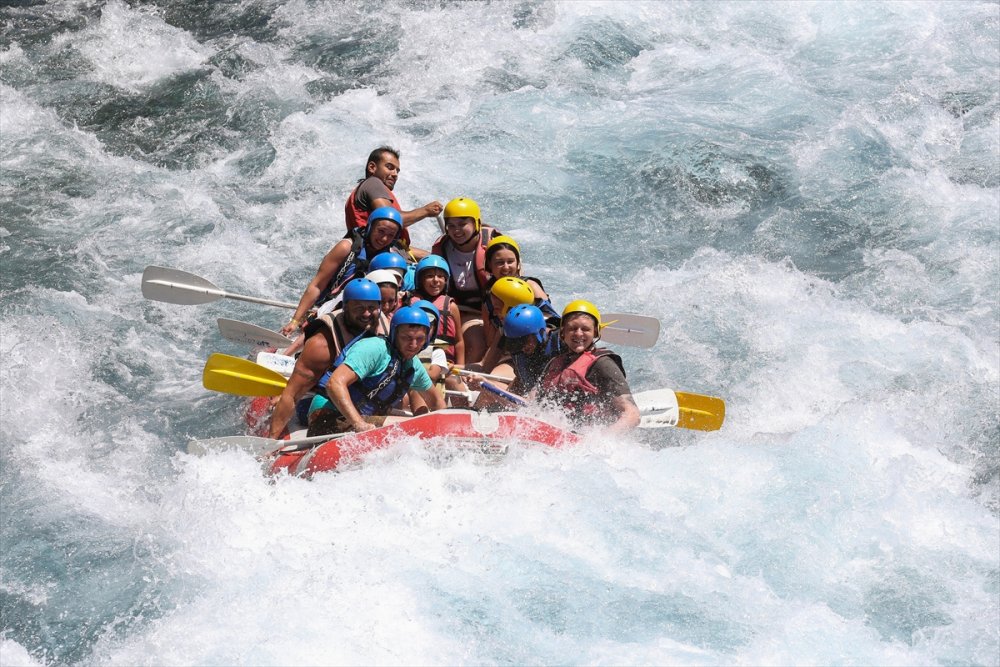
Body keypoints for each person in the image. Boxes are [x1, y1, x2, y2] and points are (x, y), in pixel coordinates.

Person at [268, 278, 388, 437]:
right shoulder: (322, 345)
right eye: (359, 308)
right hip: (319, 402)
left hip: (362, 397)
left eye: (372, 307)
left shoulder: (383, 324)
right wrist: (271, 441)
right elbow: (292, 395)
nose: (366, 314)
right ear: (345, 307)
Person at [302, 306, 447, 436]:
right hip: (327, 416)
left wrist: (446, 431)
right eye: (406, 337)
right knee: (411, 427)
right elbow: (334, 383)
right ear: (395, 334)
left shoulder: (413, 365)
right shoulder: (375, 348)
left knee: (420, 426)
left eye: (420, 339)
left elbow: (436, 401)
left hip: (364, 421)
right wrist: (359, 423)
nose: (413, 345)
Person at [280, 207, 405, 337]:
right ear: (370, 227)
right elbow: (317, 285)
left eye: (390, 235)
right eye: (381, 231)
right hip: (325, 309)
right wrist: (295, 321)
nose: (384, 239)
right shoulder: (346, 248)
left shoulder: (390, 260)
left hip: (361, 317)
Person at [534, 300, 640, 432]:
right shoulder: (554, 363)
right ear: (562, 333)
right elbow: (532, 403)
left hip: (590, 435)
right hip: (559, 432)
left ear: (595, 332)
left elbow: (632, 414)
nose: (578, 333)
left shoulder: (603, 364)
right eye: (572, 328)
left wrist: (600, 440)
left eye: (585, 329)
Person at [431, 197, 502, 363]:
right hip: (461, 309)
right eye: (451, 225)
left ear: (477, 224)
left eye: (463, 224)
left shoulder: (494, 247)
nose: (457, 231)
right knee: (475, 343)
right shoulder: (443, 248)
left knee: (484, 343)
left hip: (491, 309)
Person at [344, 146, 442, 251]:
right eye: (389, 167)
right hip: (377, 260)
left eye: (397, 171)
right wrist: (426, 210)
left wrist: (429, 256)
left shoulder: (367, 188)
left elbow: (399, 248)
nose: (395, 174)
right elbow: (392, 220)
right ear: (372, 167)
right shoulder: (373, 183)